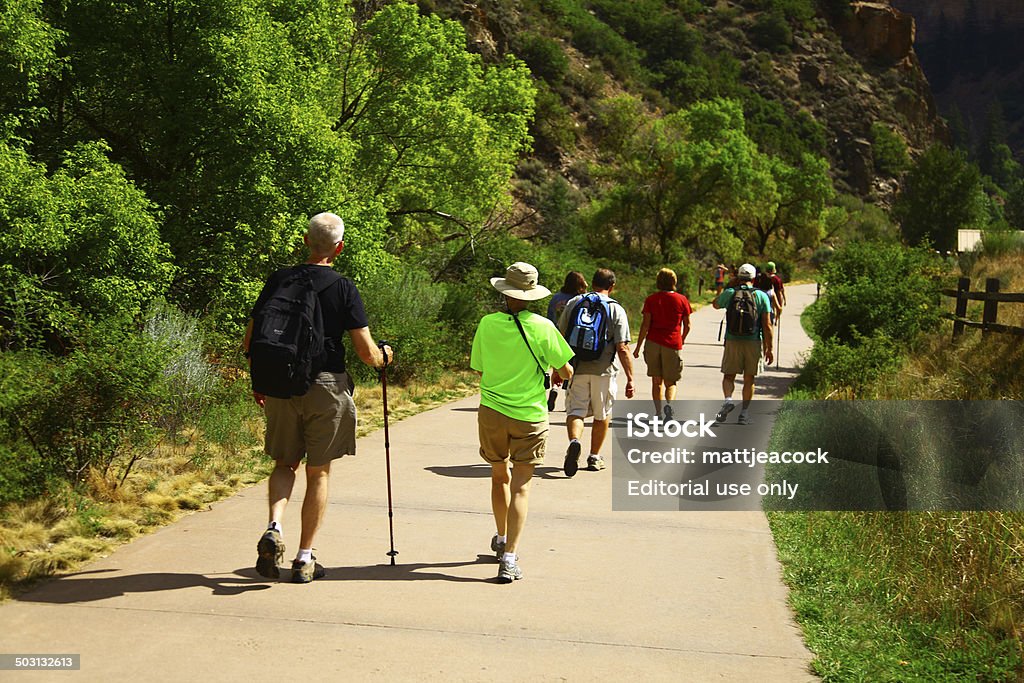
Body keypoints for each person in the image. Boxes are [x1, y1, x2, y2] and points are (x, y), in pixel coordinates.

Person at [244, 212, 393, 584]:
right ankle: (304, 558)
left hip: (280, 385)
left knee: (284, 463)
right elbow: (364, 352)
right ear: (338, 247)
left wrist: (261, 381)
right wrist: (384, 357)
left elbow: (251, 341)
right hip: (326, 385)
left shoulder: (280, 279)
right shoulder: (343, 286)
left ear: (306, 241)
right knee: (319, 470)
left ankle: (274, 525)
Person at [471, 262, 574, 583]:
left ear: (505, 292)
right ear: (532, 294)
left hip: (492, 411)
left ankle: (500, 540)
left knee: (498, 476)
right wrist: (553, 370)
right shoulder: (544, 327)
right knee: (522, 486)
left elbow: (479, 369)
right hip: (529, 415)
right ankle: (510, 558)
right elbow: (567, 370)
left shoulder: (487, 324)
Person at [558, 268, 634, 475]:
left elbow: (560, 337)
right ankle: (594, 456)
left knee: (575, 411)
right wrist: (630, 378)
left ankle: (574, 441)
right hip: (605, 370)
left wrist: (558, 368)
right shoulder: (615, 309)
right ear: (612, 286)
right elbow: (623, 347)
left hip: (577, 368)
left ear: (592, 284)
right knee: (602, 415)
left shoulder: (574, 303)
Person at [712, 263, 773, 426]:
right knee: (749, 378)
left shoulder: (731, 292)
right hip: (753, 341)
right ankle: (744, 414)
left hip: (732, 340)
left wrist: (729, 286)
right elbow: (767, 325)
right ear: (754, 278)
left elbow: (715, 303)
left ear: (739, 277)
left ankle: (728, 400)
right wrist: (769, 348)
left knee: (729, 375)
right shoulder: (761, 296)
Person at [633, 268, 691, 422]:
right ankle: (669, 406)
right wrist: (681, 339)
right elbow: (688, 325)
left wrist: (638, 347)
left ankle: (658, 413)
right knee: (671, 382)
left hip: (653, 343)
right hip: (672, 343)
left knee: (656, 381)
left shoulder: (651, 300)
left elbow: (645, 325)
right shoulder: (682, 300)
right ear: (674, 282)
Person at [545, 271, 588, 411]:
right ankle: (569, 397)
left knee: (557, 366)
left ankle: (554, 388)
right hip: (574, 338)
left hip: (557, 335)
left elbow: (549, 317)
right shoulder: (580, 299)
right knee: (571, 369)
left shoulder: (556, 298)